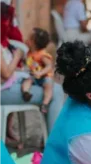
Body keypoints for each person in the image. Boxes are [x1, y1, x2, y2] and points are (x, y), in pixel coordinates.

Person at [0, 2, 64, 134]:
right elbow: (6, 73)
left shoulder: (4, 41)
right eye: (7, 20)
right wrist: (17, 56)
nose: (9, 24)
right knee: (56, 91)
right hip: (4, 90)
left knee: (53, 87)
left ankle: (53, 138)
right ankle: (54, 141)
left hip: (11, 83)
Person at [22, 28, 54, 113]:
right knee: (27, 81)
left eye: (28, 38)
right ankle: (26, 93)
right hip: (33, 76)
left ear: (33, 43)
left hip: (44, 77)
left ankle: (45, 104)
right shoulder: (29, 52)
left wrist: (40, 72)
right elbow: (28, 63)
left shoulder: (42, 55)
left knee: (48, 87)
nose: (26, 39)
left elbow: (49, 66)